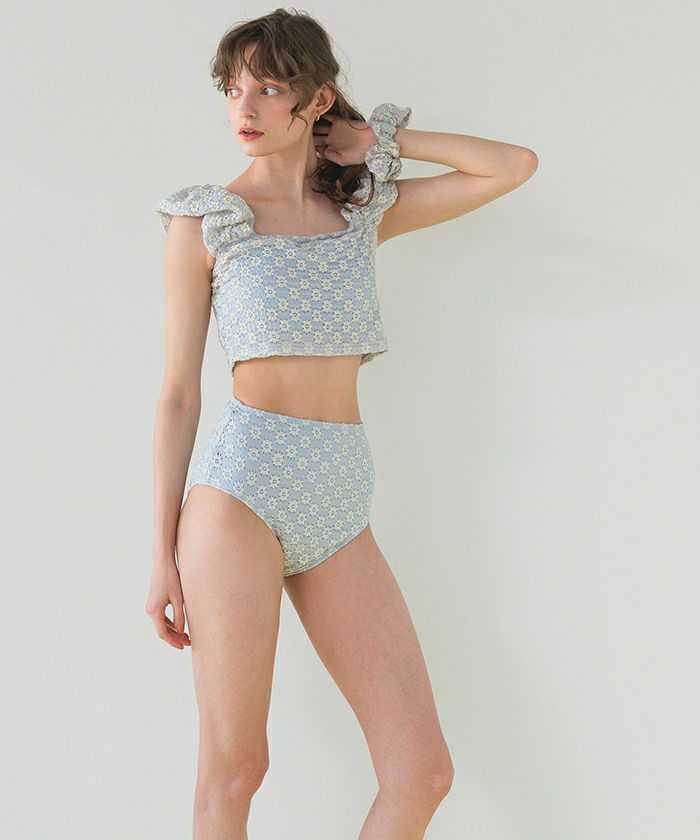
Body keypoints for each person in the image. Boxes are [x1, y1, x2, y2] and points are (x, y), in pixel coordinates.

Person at [146, 8, 537, 839]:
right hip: (240, 492)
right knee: (236, 768)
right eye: (232, 88)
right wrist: (160, 554)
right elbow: (178, 394)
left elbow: (512, 167)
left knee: (421, 772)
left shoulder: (363, 215)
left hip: (339, 496)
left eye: (268, 87)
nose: (244, 106)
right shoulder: (206, 222)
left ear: (317, 99)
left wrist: (380, 142)